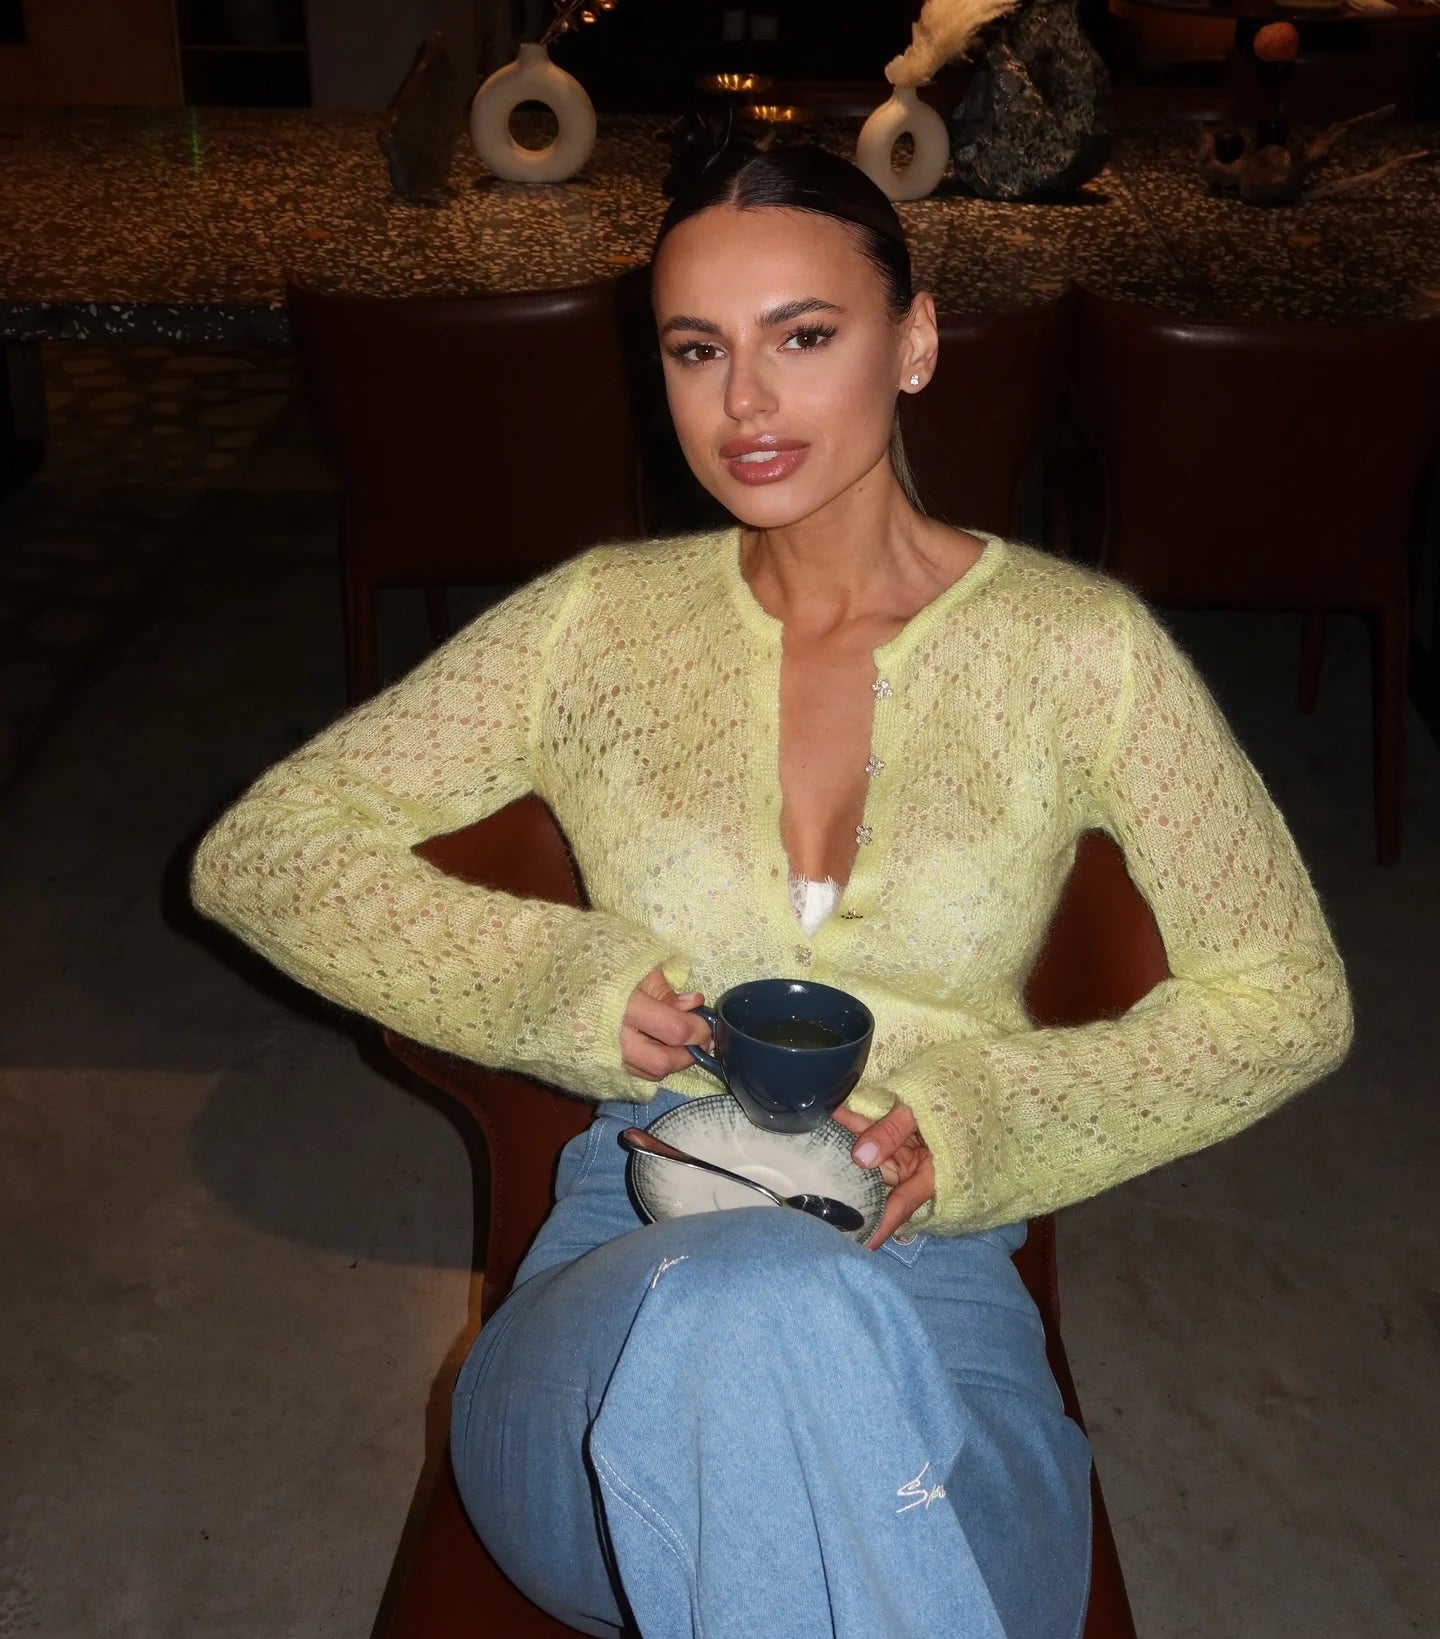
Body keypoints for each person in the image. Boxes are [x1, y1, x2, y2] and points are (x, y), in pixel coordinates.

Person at [191, 140, 1353, 1638]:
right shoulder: (596, 624)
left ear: (915, 341)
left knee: (824, 1392)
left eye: (804, 336)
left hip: (932, 1301)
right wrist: (561, 985)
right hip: (616, 1297)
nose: (744, 402)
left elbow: (1287, 996)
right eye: (698, 350)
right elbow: (269, 853)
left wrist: (989, 1120)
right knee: (760, 1302)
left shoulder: (1084, 655)